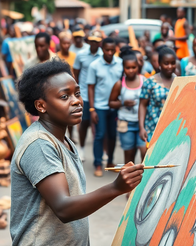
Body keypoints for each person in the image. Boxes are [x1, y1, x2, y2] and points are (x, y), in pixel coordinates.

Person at [10, 59, 144, 245]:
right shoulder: (40, 143)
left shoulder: (62, 139)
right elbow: (64, 208)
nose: (76, 101)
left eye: (77, 93)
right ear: (41, 106)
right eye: (64, 97)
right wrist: (116, 188)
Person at [87, 38, 123, 176]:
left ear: (115, 50)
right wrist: (92, 109)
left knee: (113, 135)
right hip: (99, 106)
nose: (109, 52)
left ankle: (110, 161)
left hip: (114, 106)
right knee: (100, 135)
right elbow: (90, 87)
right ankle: (97, 164)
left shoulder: (120, 64)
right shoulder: (94, 65)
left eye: (112, 50)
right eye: (106, 49)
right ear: (102, 49)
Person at [109, 47, 146, 164]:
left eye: (133, 67)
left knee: (144, 152)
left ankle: (144, 180)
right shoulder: (120, 84)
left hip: (142, 124)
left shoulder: (144, 81)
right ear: (123, 68)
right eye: (128, 68)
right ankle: (129, 181)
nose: (131, 70)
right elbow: (110, 103)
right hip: (126, 124)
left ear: (138, 67)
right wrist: (123, 103)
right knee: (129, 158)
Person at [72, 30, 104, 161]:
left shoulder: (103, 55)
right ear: (88, 41)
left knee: (100, 125)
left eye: (97, 41)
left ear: (100, 42)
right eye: (92, 41)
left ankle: (103, 151)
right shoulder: (81, 55)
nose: (94, 44)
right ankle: (82, 148)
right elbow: (76, 72)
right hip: (85, 94)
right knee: (83, 123)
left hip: (100, 96)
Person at [139, 47, 177, 143]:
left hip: (173, 130)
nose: (170, 66)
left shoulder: (179, 81)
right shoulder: (150, 82)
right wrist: (141, 128)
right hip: (153, 128)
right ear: (159, 64)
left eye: (173, 63)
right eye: (166, 63)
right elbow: (142, 105)